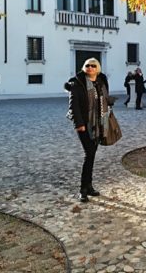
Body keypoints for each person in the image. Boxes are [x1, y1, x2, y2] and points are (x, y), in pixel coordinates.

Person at [64, 58, 110, 202]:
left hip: (99, 123)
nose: (90, 68)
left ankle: (89, 186)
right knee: (89, 153)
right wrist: (79, 123)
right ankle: (83, 189)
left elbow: (104, 99)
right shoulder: (77, 83)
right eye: (87, 65)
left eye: (93, 66)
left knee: (92, 154)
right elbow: (74, 106)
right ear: (84, 67)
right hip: (84, 124)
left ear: (98, 68)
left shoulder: (101, 81)